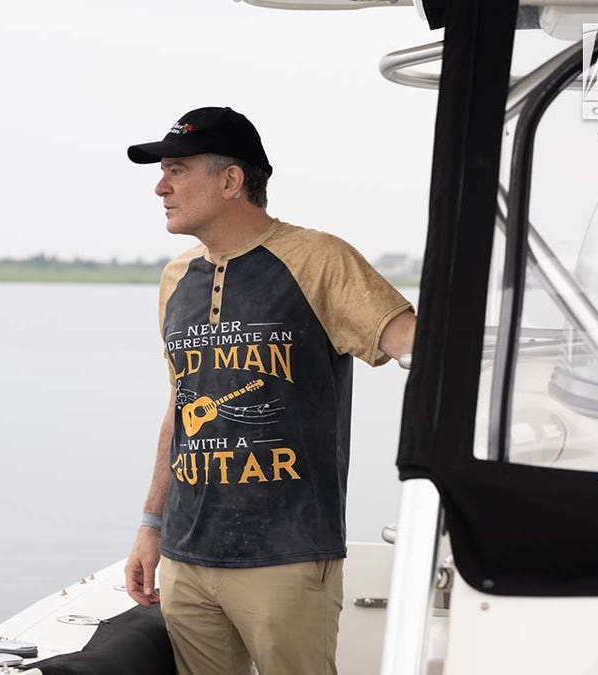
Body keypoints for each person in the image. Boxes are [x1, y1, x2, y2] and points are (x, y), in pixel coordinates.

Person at [123, 106, 416, 675]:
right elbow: (182, 406)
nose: (160, 186)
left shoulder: (317, 258)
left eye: (177, 170)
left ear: (231, 180)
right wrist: (151, 523)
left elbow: (418, 347)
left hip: (285, 558)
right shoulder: (176, 278)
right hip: (187, 555)